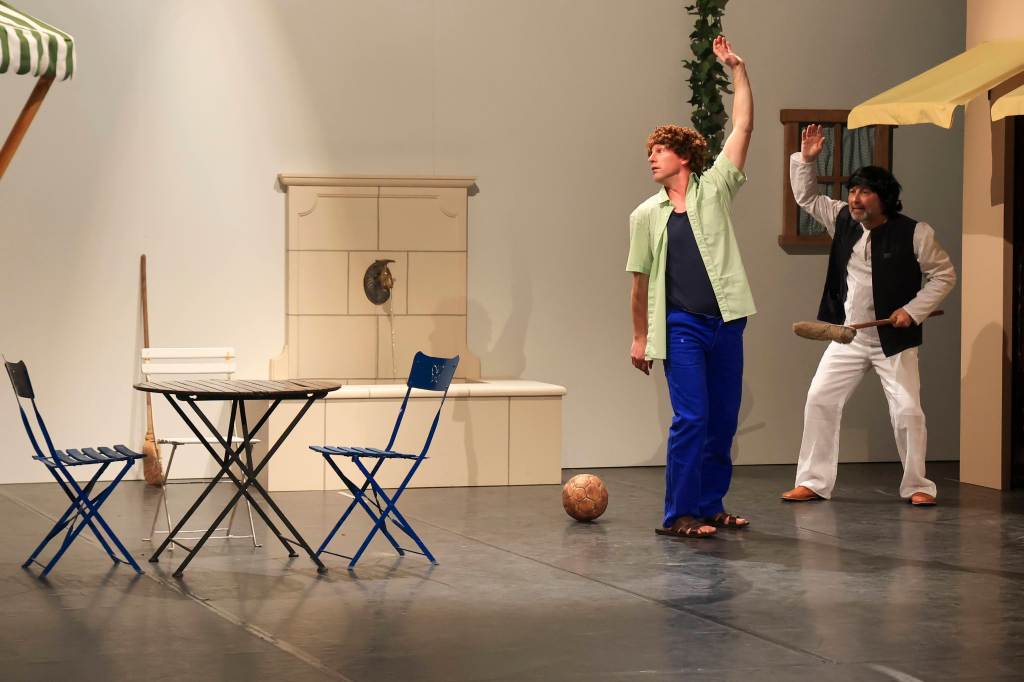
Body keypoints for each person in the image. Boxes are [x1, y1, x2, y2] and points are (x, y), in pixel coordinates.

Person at [781, 124, 957, 506]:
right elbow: (806, 197)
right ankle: (813, 481)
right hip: (849, 336)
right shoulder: (843, 218)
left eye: (863, 192)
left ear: (884, 198)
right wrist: (806, 161)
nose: (854, 198)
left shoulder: (916, 233)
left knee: (908, 412)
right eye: (852, 191)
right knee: (820, 398)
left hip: (893, 341)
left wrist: (912, 311)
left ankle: (918, 486)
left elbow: (944, 275)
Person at [626, 36, 754, 538]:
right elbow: (639, 283)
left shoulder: (715, 189)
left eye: (659, 151)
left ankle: (708, 504)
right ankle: (678, 514)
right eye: (650, 153)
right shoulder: (645, 215)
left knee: (722, 421)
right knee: (692, 418)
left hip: (726, 322)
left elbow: (742, 126)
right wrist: (640, 337)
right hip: (680, 326)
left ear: (683, 156)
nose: (652, 159)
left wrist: (737, 70)